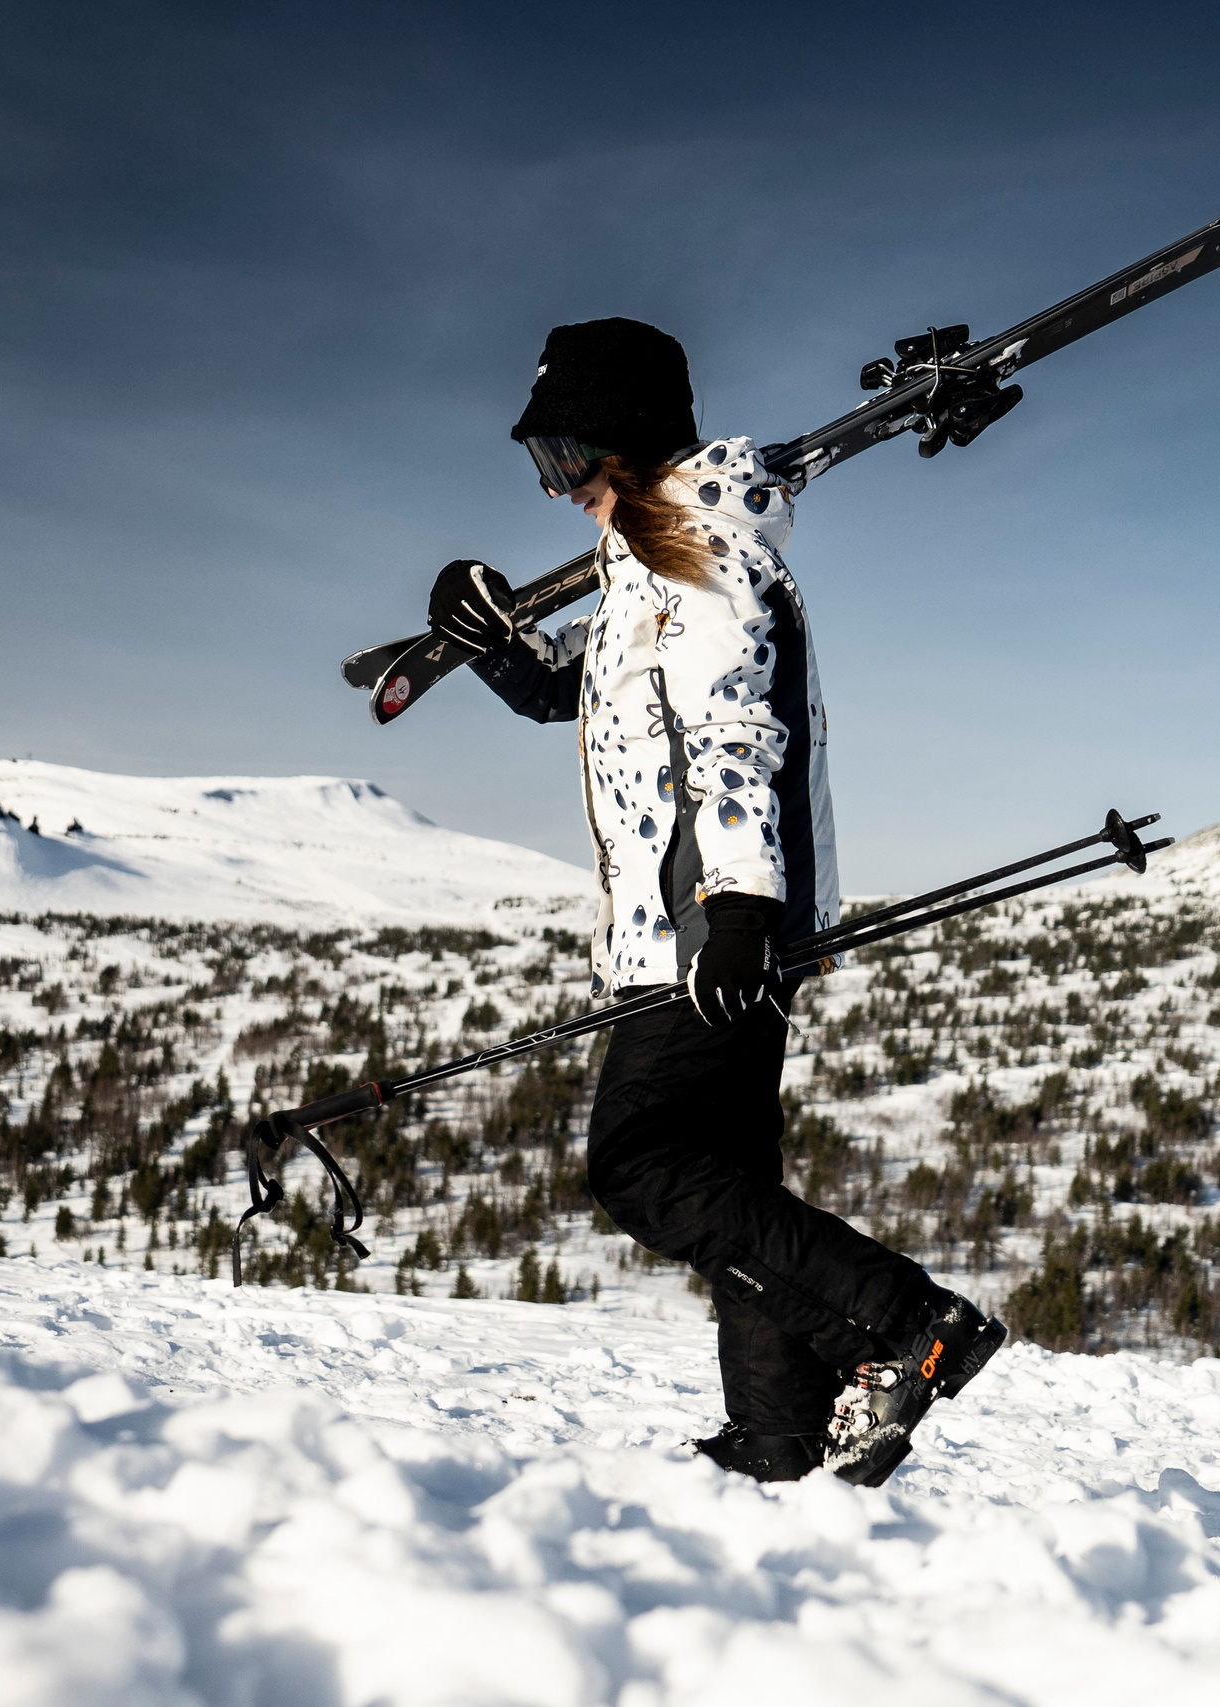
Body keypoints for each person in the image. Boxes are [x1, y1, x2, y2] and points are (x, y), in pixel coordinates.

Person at [430, 318, 1004, 1486]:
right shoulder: (651, 563)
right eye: (542, 468)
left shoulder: (694, 552)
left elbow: (731, 728)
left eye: (568, 461)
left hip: (705, 923)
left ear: (630, 444)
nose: (558, 493)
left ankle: (904, 1325)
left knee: (638, 1165)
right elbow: (578, 695)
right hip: (701, 924)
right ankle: (782, 1429)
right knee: (725, 1171)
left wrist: (736, 902)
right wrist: (495, 647)